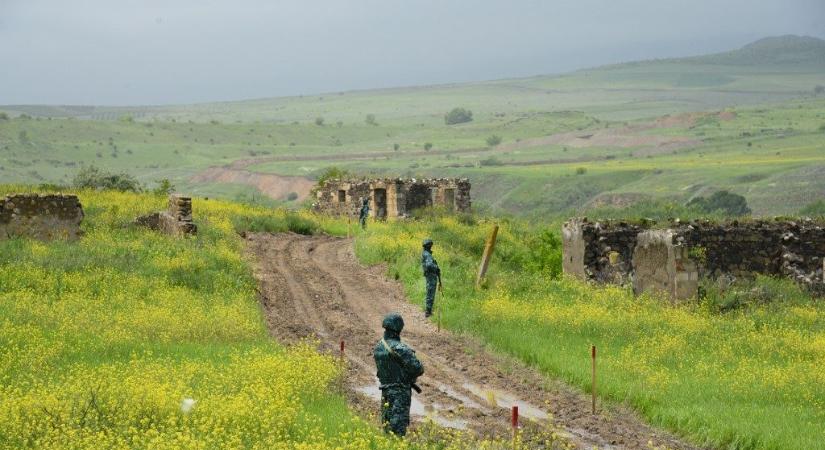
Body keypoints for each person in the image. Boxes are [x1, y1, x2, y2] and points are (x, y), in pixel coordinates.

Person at [373, 313, 424, 437]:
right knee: (398, 433)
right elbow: (419, 369)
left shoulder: (379, 347)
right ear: (399, 328)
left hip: (385, 393)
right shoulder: (401, 348)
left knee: (387, 430)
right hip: (400, 395)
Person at [421, 238, 441, 317]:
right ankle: (428, 311)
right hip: (431, 276)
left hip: (430, 276)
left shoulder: (425, 253)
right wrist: (436, 267)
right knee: (430, 292)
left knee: (430, 292)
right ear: (429, 246)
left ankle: (428, 310)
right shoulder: (427, 254)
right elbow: (429, 265)